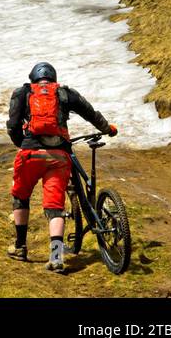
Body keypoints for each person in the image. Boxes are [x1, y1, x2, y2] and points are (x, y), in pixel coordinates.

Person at [6, 61, 117, 273]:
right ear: (53, 78)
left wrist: (23, 144)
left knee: (21, 196)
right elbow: (91, 113)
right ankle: (56, 257)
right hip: (59, 157)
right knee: (55, 206)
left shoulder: (23, 93)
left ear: (33, 79)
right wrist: (107, 128)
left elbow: (12, 125)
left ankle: (20, 247)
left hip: (30, 154)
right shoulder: (65, 94)